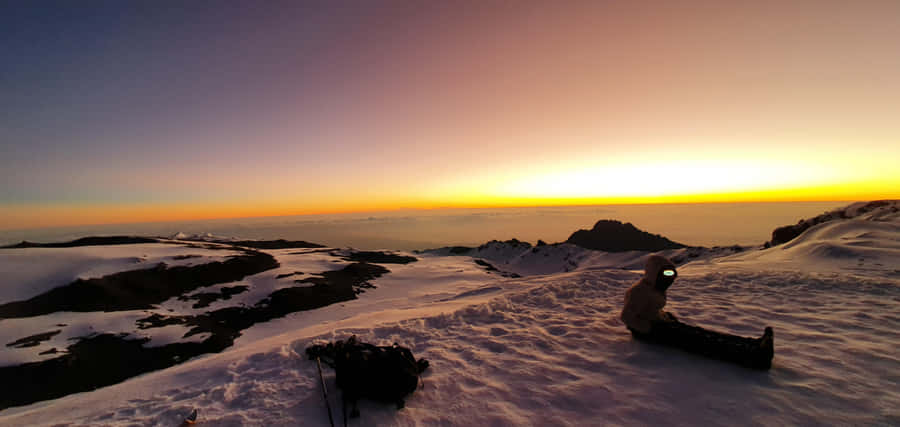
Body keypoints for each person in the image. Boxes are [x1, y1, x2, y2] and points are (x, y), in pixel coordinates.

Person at [621, 255, 775, 370]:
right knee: (698, 341)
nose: (669, 278)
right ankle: (754, 357)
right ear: (654, 273)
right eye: (665, 274)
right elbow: (627, 317)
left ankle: (752, 344)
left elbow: (650, 309)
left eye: (671, 274)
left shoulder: (654, 288)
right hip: (649, 331)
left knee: (700, 333)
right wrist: (649, 328)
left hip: (659, 324)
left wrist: (664, 316)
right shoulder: (639, 291)